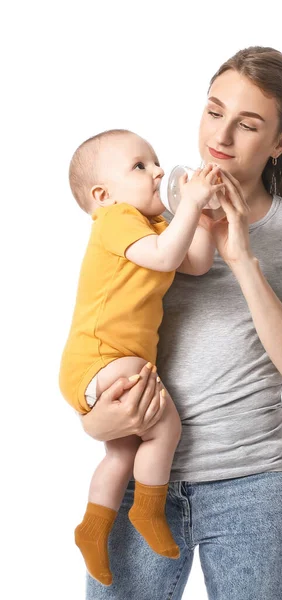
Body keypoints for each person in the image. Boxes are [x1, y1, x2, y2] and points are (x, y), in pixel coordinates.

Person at [79, 46, 282, 600]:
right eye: (214, 111)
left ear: (280, 142)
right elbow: (98, 335)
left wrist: (241, 258)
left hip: (256, 488)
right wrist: (94, 421)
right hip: (140, 482)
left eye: (248, 125)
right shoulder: (148, 209)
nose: (221, 136)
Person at [59, 129, 226, 585]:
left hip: (104, 364)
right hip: (105, 356)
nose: (157, 171)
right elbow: (167, 255)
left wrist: (206, 219)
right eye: (140, 166)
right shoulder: (114, 220)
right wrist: (188, 206)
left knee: (121, 453)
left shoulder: (147, 224)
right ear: (103, 194)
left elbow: (194, 261)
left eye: (156, 162)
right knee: (166, 426)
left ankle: (93, 529)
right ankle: (148, 511)